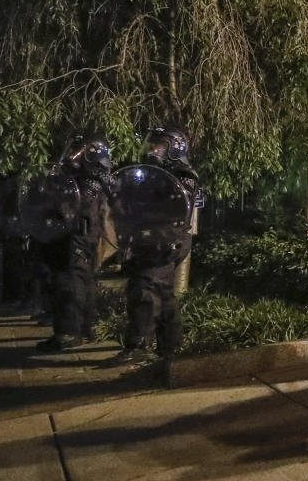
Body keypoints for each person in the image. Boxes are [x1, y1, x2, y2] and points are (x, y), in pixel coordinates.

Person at [104, 126, 201, 369]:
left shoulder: (183, 175)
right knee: (162, 291)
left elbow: (177, 209)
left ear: (174, 148)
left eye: (158, 146)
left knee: (144, 288)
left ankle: (139, 346)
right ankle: (171, 346)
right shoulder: (150, 173)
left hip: (168, 238)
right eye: (151, 145)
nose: (152, 150)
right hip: (148, 238)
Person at [37, 135, 117, 352]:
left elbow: (74, 206)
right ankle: (85, 326)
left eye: (79, 152)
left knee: (70, 282)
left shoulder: (91, 178)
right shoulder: (87, 176)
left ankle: (69, 332)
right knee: (83, 279)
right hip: (79, 235)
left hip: (79, 235)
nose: (73, 156)